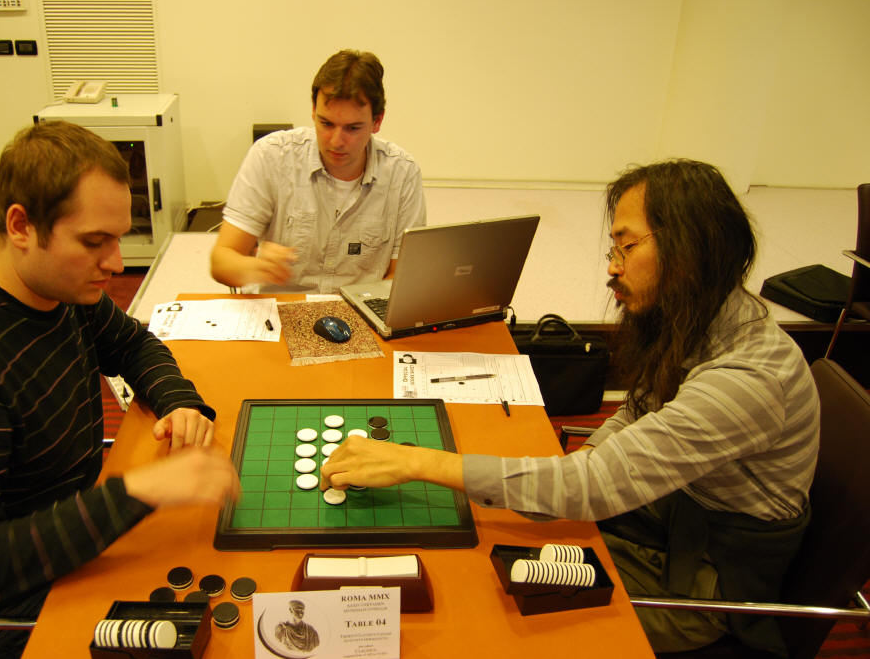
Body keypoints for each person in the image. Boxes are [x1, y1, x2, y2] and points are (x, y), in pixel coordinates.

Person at [319, 159, 819, 656]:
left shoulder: (747, 382)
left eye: (628, 247)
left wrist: (417, 462)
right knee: (489, 542)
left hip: (701, 585)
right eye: (613, 248)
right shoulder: (699, 320)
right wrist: (581, 472)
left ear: (692, 250)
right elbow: (635, 412)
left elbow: (594, 486)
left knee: (485, 609)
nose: (613, 267)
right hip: (661, 521)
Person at [0, 121, 240, 659]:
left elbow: (133, 344)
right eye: (94, 242)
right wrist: (139, 491)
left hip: (69, 532)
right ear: (21, 225)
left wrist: (179, 401)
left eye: (118, 238)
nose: (116, 263)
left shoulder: (57, 288)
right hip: (5, 615)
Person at [210, 49, 426, 294]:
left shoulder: (402, 173)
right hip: (283, 308)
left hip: (360, 309)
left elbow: (401, 277)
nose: (336, 141)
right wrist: (256, 267)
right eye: (326, 124)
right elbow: (221, 261)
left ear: (377, 121)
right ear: (313, 110)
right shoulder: (271, 157)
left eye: (353, 128)